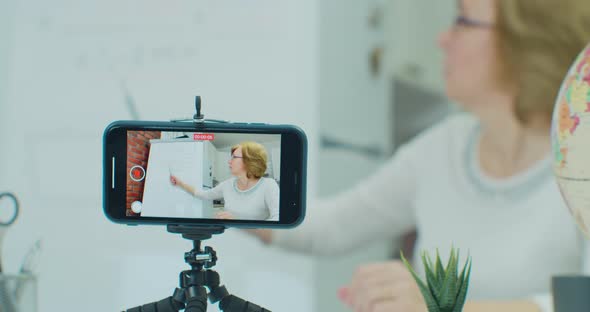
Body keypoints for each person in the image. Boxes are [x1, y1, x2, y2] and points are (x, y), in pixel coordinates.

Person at [249, 0, 590, 311]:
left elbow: (579, 303)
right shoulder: (443, 146)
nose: (442, 39)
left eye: (461, 21)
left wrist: (439, 307)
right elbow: (328, 226)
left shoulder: (581, 164)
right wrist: (226, 194)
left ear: (527, 40)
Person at [171, 141, 279, 221]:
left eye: (234, 157)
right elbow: (202, 194)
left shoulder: (268, 185)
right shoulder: (227, 185)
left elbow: (277, 218)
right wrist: (180, 183)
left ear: (249, 161)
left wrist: (237, 222)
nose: (229, 161)